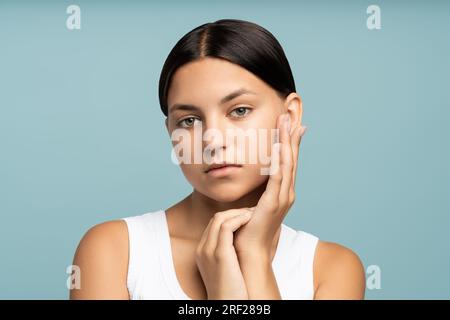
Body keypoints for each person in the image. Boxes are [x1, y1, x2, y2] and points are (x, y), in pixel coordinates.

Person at [70, 19, 365, 300]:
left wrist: (254, 254)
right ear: (170, 132)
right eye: (189, 120)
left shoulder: (332, 269)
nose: (212, 139)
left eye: (239, 111)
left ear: (289, 116)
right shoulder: (114, 251)